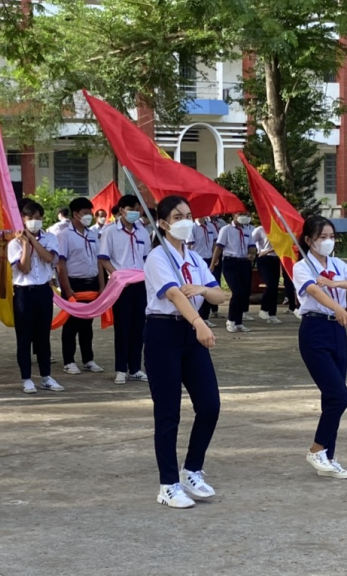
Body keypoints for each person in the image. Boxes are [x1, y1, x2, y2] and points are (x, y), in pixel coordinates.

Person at [143, 195, 226, 508]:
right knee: (168, 413)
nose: (185, 221)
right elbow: (174, 294)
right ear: (163, 223)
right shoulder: (157, 258)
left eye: (188, 215)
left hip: (192, 335)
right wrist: (199, 323)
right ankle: (168, 485)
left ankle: (192, 469)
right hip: (164, 332)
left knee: (210, 405)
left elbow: (219, 295)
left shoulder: (194, 259)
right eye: (177, 216)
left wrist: (204, 290)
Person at [293, 215, 347, 479]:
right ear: (308, 240)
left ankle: (328, 456)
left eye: (331, 236)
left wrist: (337, 283)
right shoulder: (302, 267)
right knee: (340, 396)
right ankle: (317, 448)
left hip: (338, 330)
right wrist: (337, 306)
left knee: (332, 399)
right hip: (315, 330)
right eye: (321, 237)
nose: (327, 242)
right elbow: (313, 291)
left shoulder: (337, 264)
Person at [9, 200, 63, 394]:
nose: (35, 222)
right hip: (24, 292)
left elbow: (49, 258)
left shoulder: (49, 238)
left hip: (43, 291)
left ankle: (46, 376)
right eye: (30, 218)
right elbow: (24, 268)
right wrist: (25, 243)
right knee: (24, 337)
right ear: (23, 219)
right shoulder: (14, 243)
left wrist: (32, 240)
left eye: (38, 218)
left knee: (43, 336)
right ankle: (26, 378)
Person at [99, 195, 151, 384]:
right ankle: (121, 368)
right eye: (131, 208)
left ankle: (135, 368)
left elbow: (146, 258)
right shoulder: (110, 232)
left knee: (139, 326)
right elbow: (104, 258)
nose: (135, 212)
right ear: (121, 210)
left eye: (137, 208)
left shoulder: (143, 232)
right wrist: (117, 275)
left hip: (140, 283)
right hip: (120, 284)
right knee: (122, 327)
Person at [57, 197, 105, 375]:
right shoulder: (65, 235)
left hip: (91, 282)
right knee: (71, 323)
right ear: (75, 214)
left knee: (87, 322)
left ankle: (88, 359)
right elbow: (61, 264)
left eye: (90, 213)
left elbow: (99, 261)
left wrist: (102, 284)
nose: (89, 217)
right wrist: (67, 289)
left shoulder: (92, 234)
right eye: (85, 213)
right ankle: (68, 360)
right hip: (74, 283)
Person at [212, 212, 256, 333]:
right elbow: (219, 247)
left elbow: (252, 246)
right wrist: (213, 263)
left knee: (244, 293)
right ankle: (231, 320)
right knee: (237, 292)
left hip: (244, 262)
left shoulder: (248, 230)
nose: (244, 217)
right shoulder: (226, 229)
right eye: (241, 214)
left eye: (246, 214)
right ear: (234, 216)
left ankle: (239, 322)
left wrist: (252, 253)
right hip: (230, 262)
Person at [252, 224, 282, 324]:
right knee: (269, 284)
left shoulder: (279, 229)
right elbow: (250, 242)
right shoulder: (259, 229)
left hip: (275, 259)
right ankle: (264, 309)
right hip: (264, 259)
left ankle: (272, 314)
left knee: (274, 287)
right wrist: (254, 253)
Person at [191, 216, 218, 326]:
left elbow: (215, 243)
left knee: (208, 287)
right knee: (197, 288)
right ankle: (195, 316)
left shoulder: (210, 226)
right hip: (196, 260)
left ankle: (205, 316)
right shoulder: (192, 227)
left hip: (208, 258)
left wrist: (214, 259)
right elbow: (189, 245)